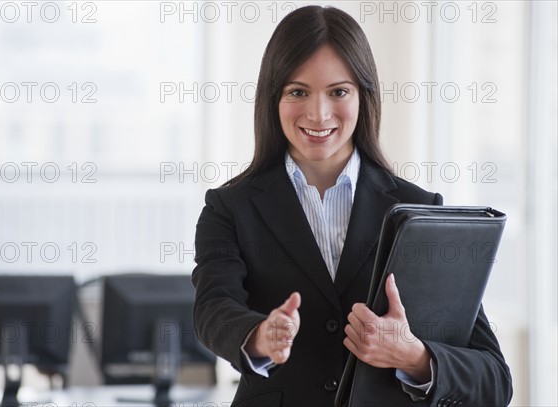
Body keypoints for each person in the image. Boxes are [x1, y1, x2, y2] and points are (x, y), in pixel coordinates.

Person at [192, 5, 512, 407]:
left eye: (338, 91)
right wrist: (259, 335)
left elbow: (494, 379)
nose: (318, 113)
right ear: (273, 99)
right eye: (298, 91)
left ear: (365, 96)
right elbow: (212, 310)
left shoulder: (420, 209)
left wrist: (413, 356)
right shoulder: (230, 207)